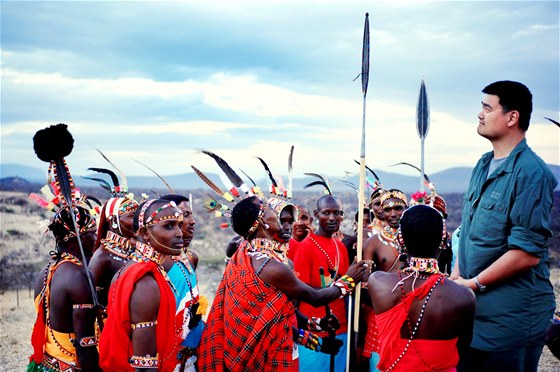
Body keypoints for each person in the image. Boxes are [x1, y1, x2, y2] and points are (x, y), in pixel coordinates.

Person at [452, 81, 557, 372]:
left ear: (512, 117)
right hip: (473, 316)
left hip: (510, 321)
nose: (479, 114)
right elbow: (469, 230)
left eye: (487, 107)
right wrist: (457, 280)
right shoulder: (483, 164)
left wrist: (472, 284)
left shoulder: (532, 173)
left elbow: (526, 253)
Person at [197, 196, 367, 371]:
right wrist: (349, 280)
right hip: (270, 357)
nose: (274, 212)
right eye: (269, 209)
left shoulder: (245, 254)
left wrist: (316, 328)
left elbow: (283, 316)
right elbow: (314, 297)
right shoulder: (271, 266)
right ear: (263, 221)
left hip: (269, 349)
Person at [369, 204, 476, 371]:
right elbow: (463, 348)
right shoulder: (464, 296)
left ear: (400, 240)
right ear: (443, 239)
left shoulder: (378, 283)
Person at [99, 198, 185, 371]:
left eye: (178, 225)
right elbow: (144, 365)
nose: (179, 233)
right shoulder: (145, 282)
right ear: (145, 233)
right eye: (169, 226)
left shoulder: (139, 268)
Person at [29, 206, 101, 372]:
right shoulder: (80, 277)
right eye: (93, 232)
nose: (96, 238)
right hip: (70, 366)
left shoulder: (46, 270)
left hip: (46, 364)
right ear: (80, 237)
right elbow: (85, 346)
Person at [293, 194, 355, 372]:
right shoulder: (306, 246)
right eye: (326, 213)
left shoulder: (340, 246)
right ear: (316, 214)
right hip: (315, 331)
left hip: (340, 326)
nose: (332, 218)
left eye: (337, 213)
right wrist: (344, 283)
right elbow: (301, 289)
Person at [361, 189, 408, 370]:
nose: (393, 214)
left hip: (411, 311)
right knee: (380, 363)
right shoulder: (373, 242)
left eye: (398, 208)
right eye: (387, 210)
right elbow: (366, 283)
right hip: (381, 313)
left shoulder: (414, 238)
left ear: (406, 208)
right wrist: (383, 307)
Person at [160, 194, 205, 371]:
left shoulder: (191, 257)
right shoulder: (158, 263)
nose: (192, 221)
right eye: (186, 215)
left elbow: (192, 300)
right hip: (170, 358)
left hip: (193, 354)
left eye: (191, 215)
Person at [89, 195, 139, 308]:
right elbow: (91, 301)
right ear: (113, 220)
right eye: (132, 217)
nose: (138, 222)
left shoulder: (133, 250)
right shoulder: (102, 257)